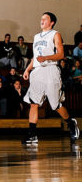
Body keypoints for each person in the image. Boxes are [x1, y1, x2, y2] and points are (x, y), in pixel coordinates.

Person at [22, 12, 79, 145]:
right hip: (37, 71)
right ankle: (32, 135)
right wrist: (28, 69)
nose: (41, 20)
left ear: (51, 22)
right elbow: (35, 57)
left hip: (51, 70)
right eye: (41, 18)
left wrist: (46, 57)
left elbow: (61, 54)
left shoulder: (55, 34)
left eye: (44, 18)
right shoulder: (36, 37)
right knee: (33, 103)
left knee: (55, 105)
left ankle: (70, 122)